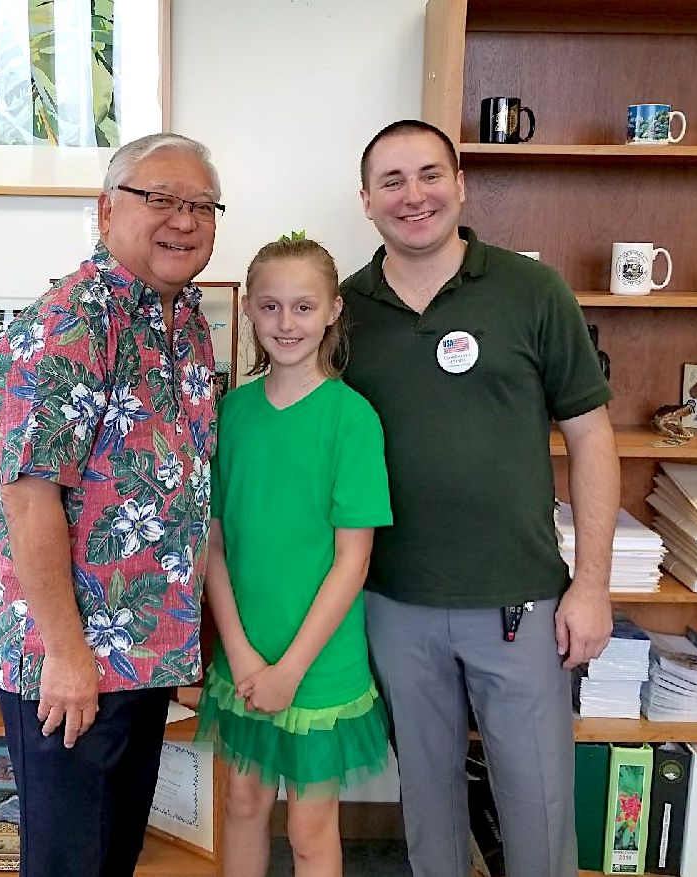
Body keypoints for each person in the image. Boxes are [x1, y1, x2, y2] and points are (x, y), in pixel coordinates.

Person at [340, 120, 620, 877]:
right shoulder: (341, 311)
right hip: (394, 602)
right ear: (365, 200)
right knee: (428, 811)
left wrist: (592, 583)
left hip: (520, 602)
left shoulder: (531, 290)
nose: (413, 195)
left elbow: (591, 437)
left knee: (537, 810)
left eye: (429, 174)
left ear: (460, 185)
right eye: (391, 181)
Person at [0, 132, 223, 877]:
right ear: (104, 210)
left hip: (143, 649)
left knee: (112, 855)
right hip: (75, 659)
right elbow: (29, 501)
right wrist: (65, 654)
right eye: (159, 198)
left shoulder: (182, 319)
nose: (182, 219)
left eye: (199, 204)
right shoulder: (71, 320)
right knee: (69, 864)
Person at [198, 237, 393, 877]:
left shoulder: (352, 419)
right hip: (245, 656)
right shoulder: (231, 414)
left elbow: (351, 563)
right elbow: (214, 545)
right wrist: (245, 654)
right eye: (272, 307)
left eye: (304, 307)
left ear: (333, 310)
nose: (287, 323)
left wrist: (290, 669)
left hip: (321, 664)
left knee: (311, 831)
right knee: (244, 806)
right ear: (250, 310)